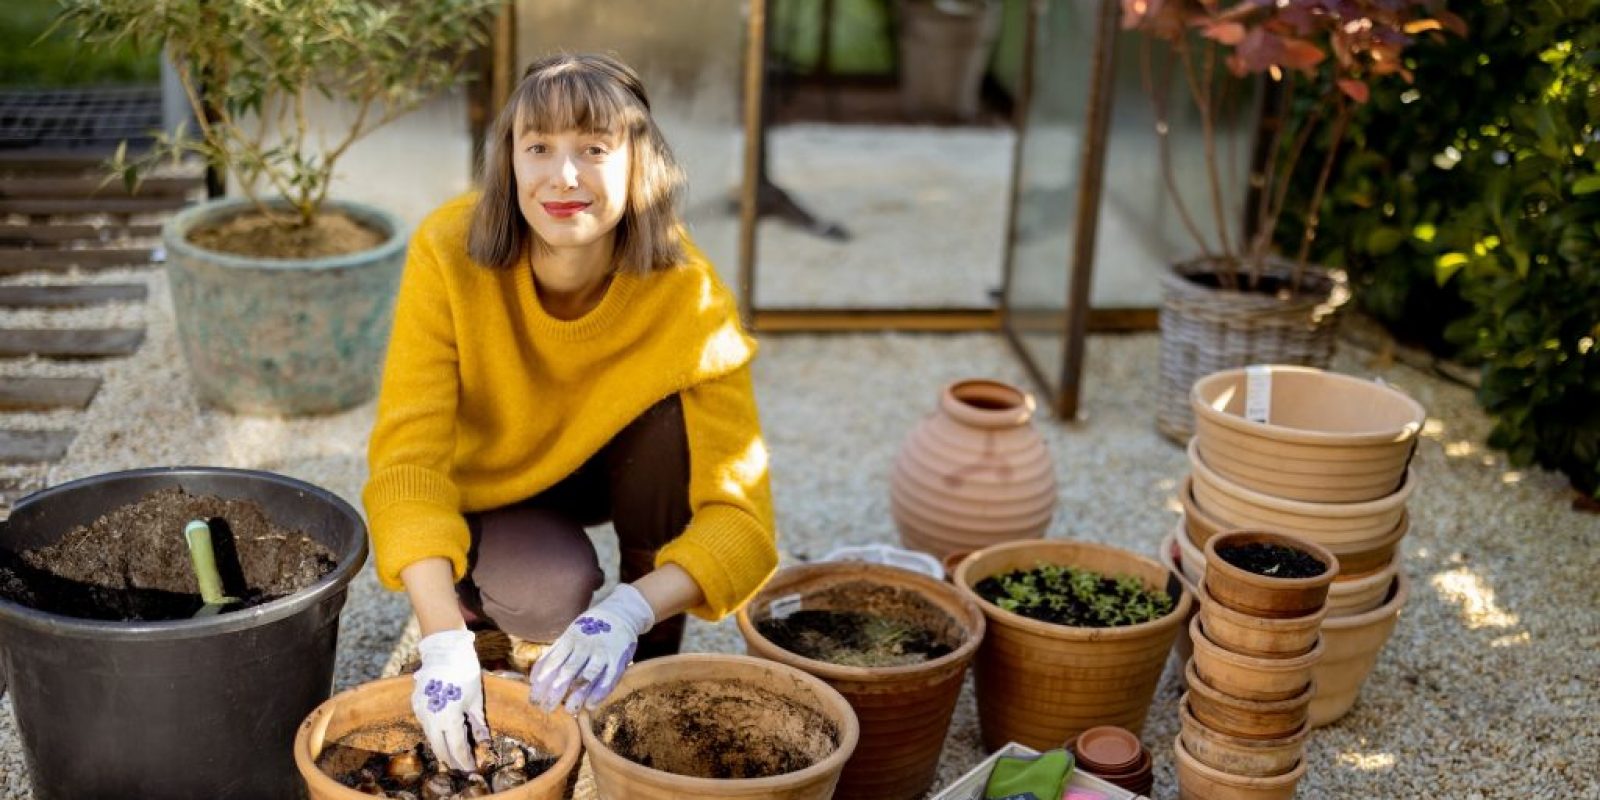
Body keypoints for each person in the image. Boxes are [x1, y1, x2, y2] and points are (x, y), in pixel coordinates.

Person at [361, 52, 777, 772]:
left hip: (610, 472)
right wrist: (440, 640)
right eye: (540, 148)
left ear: (639, 164)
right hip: (490, 489)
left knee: (671, 424)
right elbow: (407, 463)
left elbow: (743, 519)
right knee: (545, 587)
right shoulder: (446, 253)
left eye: (594, 149)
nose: (565, 177)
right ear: (509, 161)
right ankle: (474, 612)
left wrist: (630, 610)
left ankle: (642, 673)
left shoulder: (687, 292)